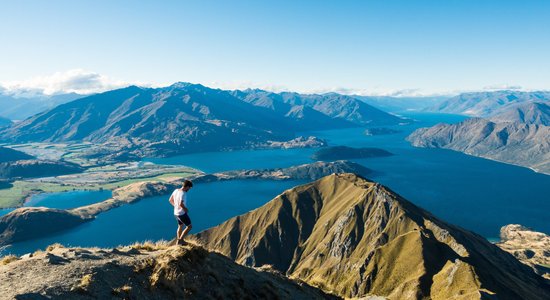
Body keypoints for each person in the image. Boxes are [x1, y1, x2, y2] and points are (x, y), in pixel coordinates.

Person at [169, 180, 193, 245]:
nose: (189, 189)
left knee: (180, 226)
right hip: (181, 213)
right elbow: (181, 204)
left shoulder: (176, 190)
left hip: (176, 213)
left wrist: (175, 206)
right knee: (189, 226)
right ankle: (181, 240)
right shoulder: (183, 193)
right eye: (189, 188)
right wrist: (186, 209)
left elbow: (170, 200)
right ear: (187, 186)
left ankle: (178, 241)